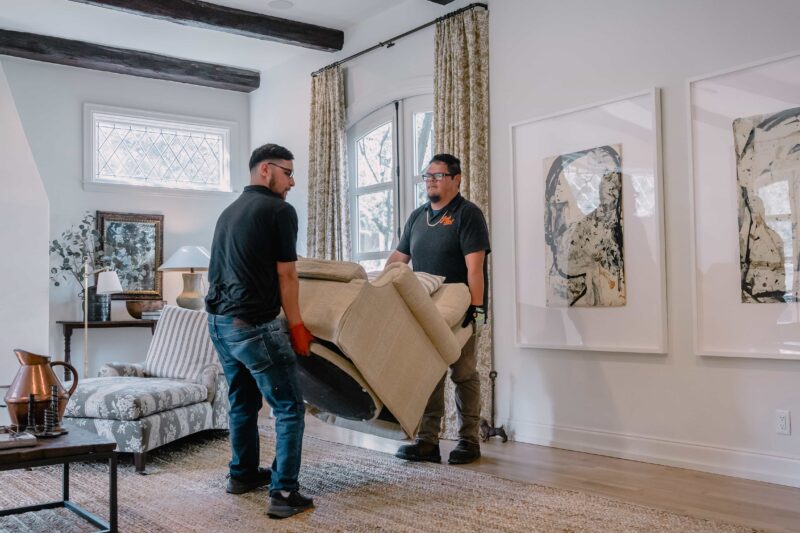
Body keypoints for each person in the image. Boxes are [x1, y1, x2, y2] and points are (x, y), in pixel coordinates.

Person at [206, 143, 315, 519]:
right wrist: (297, 326)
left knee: (243, 402)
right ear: (265, 170)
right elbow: (286, 273)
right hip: (254, 324)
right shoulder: (279, 211)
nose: (292, 181)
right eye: (288, 172)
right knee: (288, 407)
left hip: (220, 325)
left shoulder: (229, 211)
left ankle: (243, 474)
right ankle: (284, 493)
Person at [388, 153, 490, 465]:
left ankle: (468, 440)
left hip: (459, 308)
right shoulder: (418, 217)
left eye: (438, 175)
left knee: (463, 372)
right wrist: (377, 288)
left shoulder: (467, 214)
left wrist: (478, 309)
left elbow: (476, 267)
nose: (431, 181)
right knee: (430, 373)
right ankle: (427, 442)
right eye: (427, 176)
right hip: (425, 308)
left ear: (456, 179)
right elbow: (398, 259)